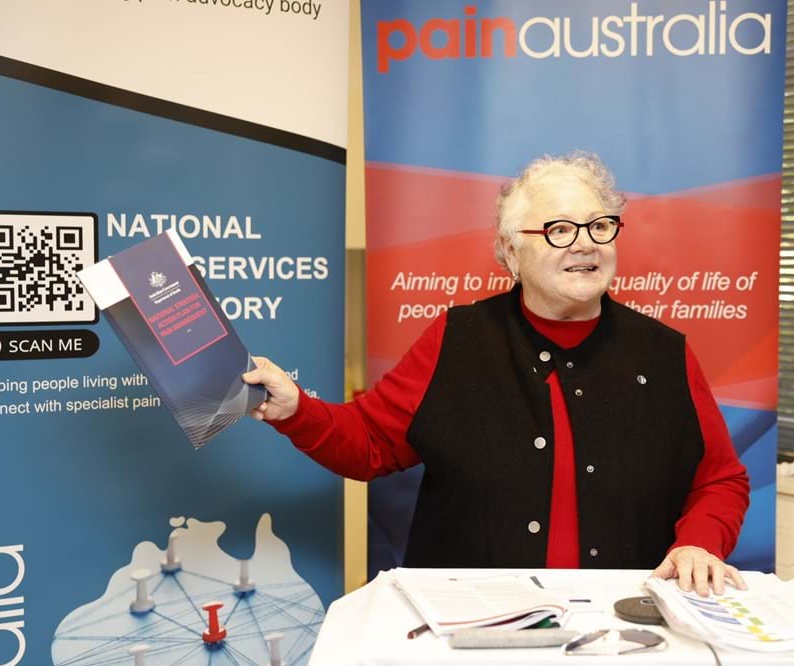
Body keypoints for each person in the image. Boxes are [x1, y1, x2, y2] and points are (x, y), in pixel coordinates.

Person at [244, 152, 750, 596]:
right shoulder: (456, 339)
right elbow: (369, 441)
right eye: (559, 230)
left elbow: (721, 478)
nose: (585, 244)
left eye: (599, 226)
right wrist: (296, 410)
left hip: (621, 627)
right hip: (469, 627)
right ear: (510, 252)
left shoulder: (664, 353)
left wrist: (700, 543)